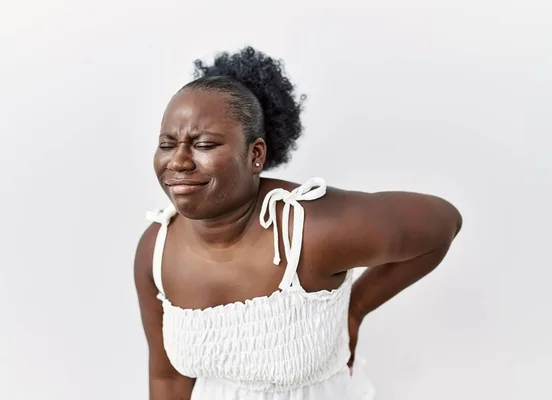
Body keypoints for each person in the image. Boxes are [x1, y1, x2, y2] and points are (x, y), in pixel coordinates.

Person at [134, 46, 462, 400]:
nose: (179, 161)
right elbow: (168, 379)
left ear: (255, 154)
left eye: (205, 144)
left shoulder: (312, 230)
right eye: (167, 144)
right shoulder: (157, 248)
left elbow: (443, 223)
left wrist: (357, 307)